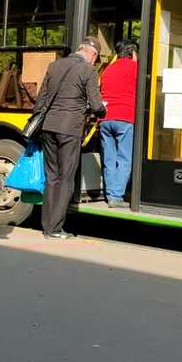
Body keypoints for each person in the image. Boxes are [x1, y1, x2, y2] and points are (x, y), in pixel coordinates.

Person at [35, 36, 106, 239]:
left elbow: (41, 100)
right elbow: (95, 104)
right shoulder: (88, 70)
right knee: (66, 178)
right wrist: (102, 111)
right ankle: (55, 229)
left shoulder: (54, 65)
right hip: (70, 129)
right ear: (92, 54)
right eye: (96, 58)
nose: (94, 62)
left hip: (48, 127)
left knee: (51, 177)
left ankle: (46, 225)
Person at [99, 39, 139, 208]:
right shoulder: (135, 68)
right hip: (125, 117)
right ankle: (116, 197)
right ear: (133, 53)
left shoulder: (108, 69)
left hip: (106, 119)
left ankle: (110, 195)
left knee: (109, 158)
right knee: (124, 158)